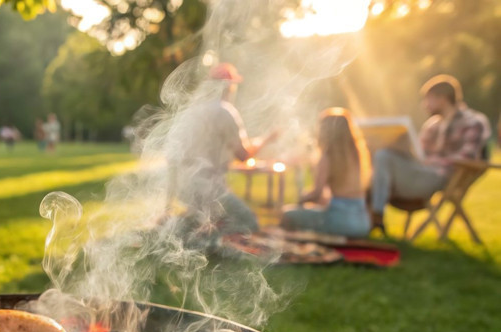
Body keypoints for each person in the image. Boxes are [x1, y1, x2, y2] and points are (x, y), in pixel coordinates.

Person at [165, 62, 278, 235]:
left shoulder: (192, 111)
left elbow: (173, 158)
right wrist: (267, 139)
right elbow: (244, 155)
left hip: (185, 188)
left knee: (208, 217)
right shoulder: (225, 111)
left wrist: (168, 200)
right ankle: (201, 234)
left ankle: (187, 226)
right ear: (229, 86)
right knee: (249, 222)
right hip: (208, 189)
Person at [369, 74, 491, 230]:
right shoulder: (432, 125)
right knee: (377, 153)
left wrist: (430, 161)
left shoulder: (473, 122)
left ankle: (374, 216)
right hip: (419, 172)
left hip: (439, 177)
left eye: (428, 99)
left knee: (382, 157)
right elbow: (420, 153)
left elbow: (467, 157)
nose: (424, 105)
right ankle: (370, 216)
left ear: (442, 98)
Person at [281, 108, 372, 238]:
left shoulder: (328, 156)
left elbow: (317, 194)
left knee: (288, 214)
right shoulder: (357, 154)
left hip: (339, 221)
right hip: (362, 223)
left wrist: (301, 199)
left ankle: (287, 248)